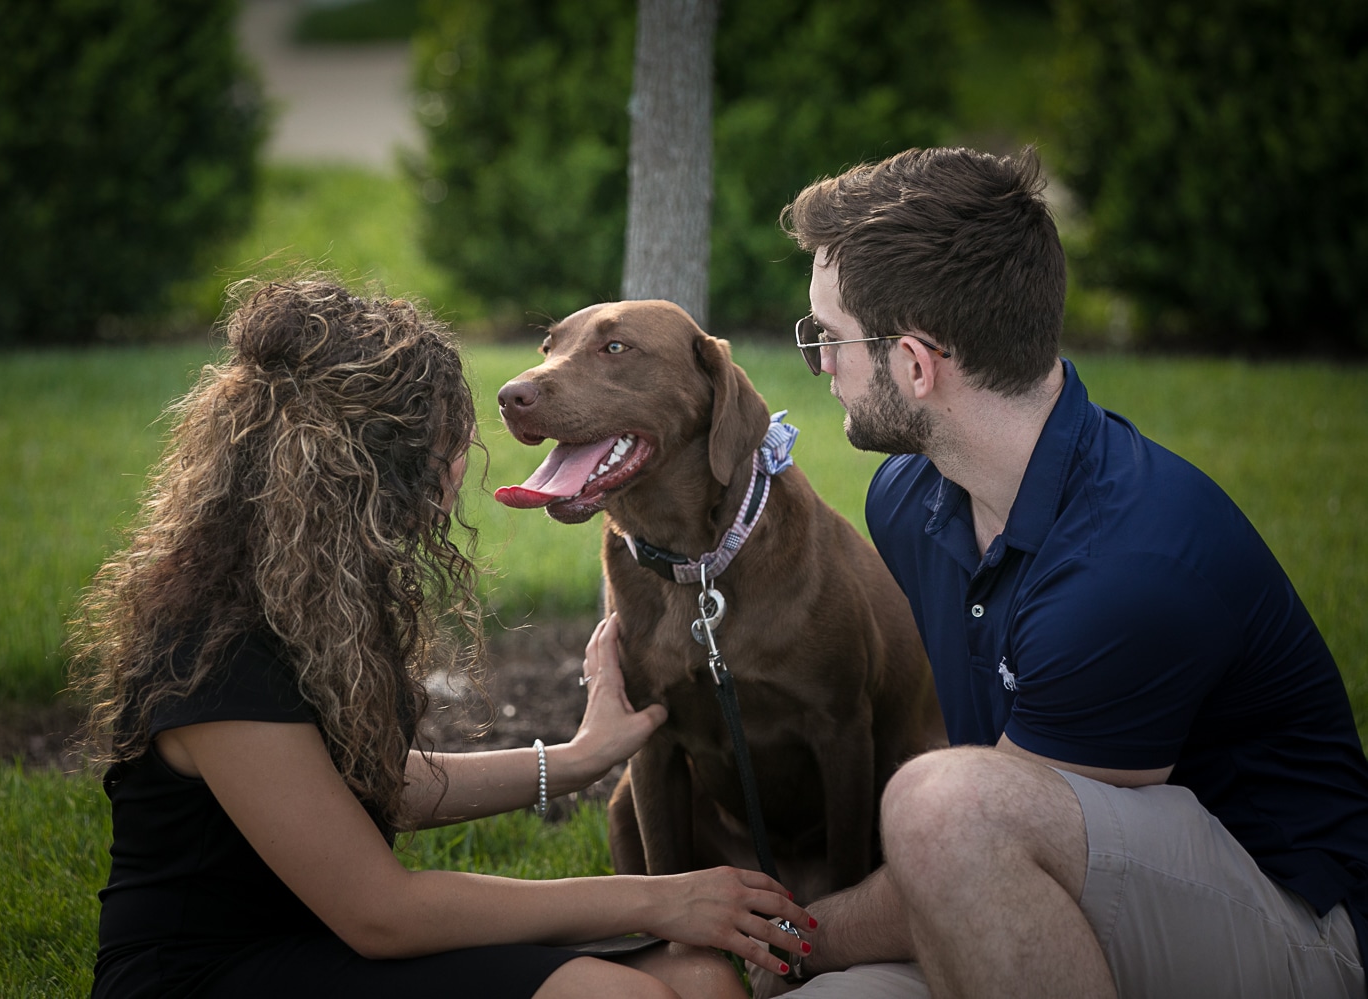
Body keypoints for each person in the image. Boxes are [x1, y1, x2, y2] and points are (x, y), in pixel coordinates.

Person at [69, 279, 813, 999]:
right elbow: (383, 914)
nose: (468, 459)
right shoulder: (216, 647)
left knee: (703, 979)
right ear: (370, 467)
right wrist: (654, 900)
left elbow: (370, 783)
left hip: (321, 938)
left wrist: (582, 756)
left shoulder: (318, 594)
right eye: (453, 436)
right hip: (212, 971)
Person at [773, 147, 1368, 998]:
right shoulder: (907, 500)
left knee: (940, 807)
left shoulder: (1129, 567)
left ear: (914, 363)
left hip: (1297, 930)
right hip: (1052, 889)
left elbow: (972, 826)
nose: (821, 363)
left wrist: (797, 937)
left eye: (828, 338)